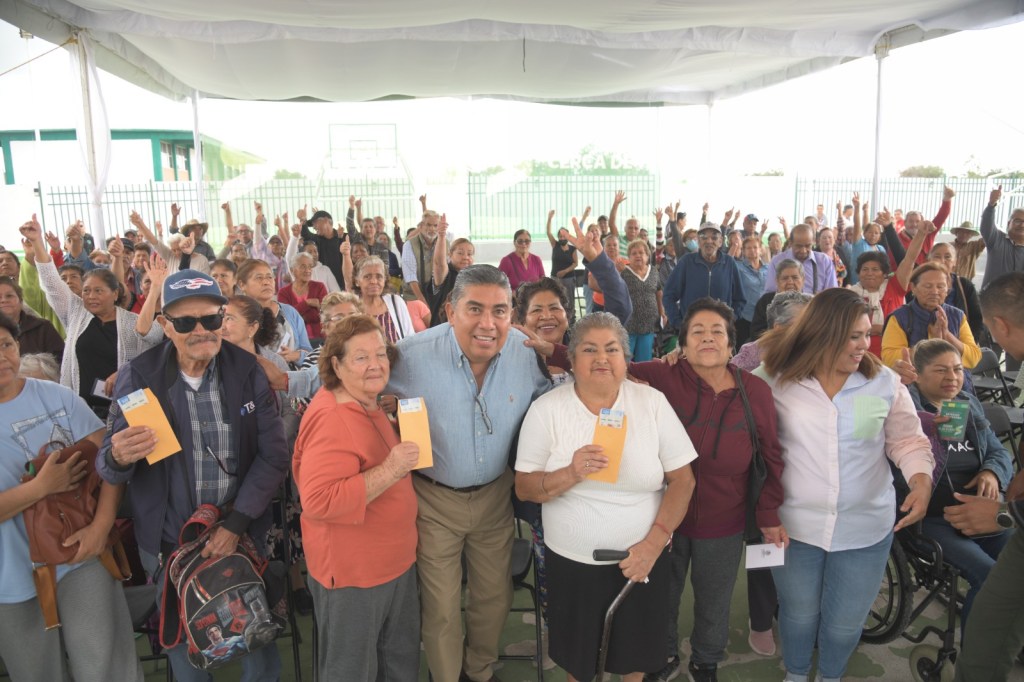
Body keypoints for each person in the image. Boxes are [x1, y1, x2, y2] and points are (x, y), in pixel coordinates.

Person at [97, 268, 290, 682]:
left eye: (212, 318)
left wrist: (235, 524)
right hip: (170, 540)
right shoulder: (140, 376)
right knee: (185, 650)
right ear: (165, 325)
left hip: (239, 533)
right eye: (186, 322)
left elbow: (274, 456)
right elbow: (107, 463)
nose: (202, 330)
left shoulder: (247, 371)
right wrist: (118, 455)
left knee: (257, 643)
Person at [757, 287, 935, 682]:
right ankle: (798, 673)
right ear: (822, 332)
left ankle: (831, 676)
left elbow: (906, 439)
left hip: (865, 528)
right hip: (793, 528)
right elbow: (726, 389)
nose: (863, 345)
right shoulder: (777, 380)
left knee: (842, 623)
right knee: (799, 613)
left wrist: (920, 478)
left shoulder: (883, 383)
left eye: (865, 334)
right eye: (852, 336)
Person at [386, 264, 551, 682]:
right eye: (474, 309)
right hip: (433, 499)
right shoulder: (409, 355)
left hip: (496, 496)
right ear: (449, 311)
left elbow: (559, 396)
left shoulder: (526, 351)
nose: (488, 323)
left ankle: (478, 672)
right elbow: (350, 374)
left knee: (494, 598)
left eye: (500, 310)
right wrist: (286, 379)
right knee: (441, 607)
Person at [514, 312, 698, 682]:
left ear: (625, 358)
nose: (601, 358)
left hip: (640, 562)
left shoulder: (651, 403)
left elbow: (683, 481)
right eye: (590, 349)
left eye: (612, 349)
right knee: (580, 666)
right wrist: (571, 472)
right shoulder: (547, 409)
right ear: (572, 359)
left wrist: (651, 546)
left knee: (634, 663)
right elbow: (525, 488)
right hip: (572, 565)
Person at [631, 299, 785, 682]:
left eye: (717, 331)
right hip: (665, 517)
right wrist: (551, 349)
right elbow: (606, 365)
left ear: (733, 346)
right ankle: (662, 655)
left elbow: (771, 456)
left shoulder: (754, 392)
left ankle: (706, 660)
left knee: (715, 600)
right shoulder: (664, 376)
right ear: (681, 344)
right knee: (661, 597)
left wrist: (767, 515)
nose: (708, 338)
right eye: (697, 331)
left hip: (725, 520)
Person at [0, 312, 144, 682]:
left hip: (80, 554)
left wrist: (101, 526)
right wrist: (40, 488)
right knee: (36, 674)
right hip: (9, 576)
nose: (2, 357)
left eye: (6, 345)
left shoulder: (55, 396)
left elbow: (111, 461)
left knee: (106, 667)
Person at [293, 314, 421, 680]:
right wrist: (392, 469)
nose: (376, 365)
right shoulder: (332, 415)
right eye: (361, 357)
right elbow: (317, 500)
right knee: (350, 670)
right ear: (336, 363)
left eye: (380, 354)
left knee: (394, 661)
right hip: (355, 575)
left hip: (392, 563)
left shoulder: (365, 401)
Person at [905, 339, 1013, 638]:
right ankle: (976, 654)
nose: (952, 377)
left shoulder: (967, 402)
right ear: (917, 373)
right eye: (941, 370)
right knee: (989, 575)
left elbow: (998, 451)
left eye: (957, 369)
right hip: (933, 518)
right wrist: (929, 430)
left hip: (981, 510)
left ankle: (1007, 636)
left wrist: (992, 473)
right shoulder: (904, 406)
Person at [949, 271, 1024, 680]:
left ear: (998, 327)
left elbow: (996, 449)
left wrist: (1002, 514)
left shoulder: (969, 406)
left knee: (986, 643)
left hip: (1007, 517)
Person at [22, 216, 162, 419]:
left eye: (98, 291)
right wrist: (37, 242)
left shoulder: (132, 322)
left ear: (115, 293)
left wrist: (124, 372)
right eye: (86, 291)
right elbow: (51, 282)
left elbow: (153, 351)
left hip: (127, 412)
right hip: (81, 410)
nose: (91, 296)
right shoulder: (76, 313)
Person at [881, 262, 982, 371]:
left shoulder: (957, 315)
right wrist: (931, 344)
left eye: (940, 286)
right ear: (913, 288)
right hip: (914, 383)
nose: (934, 292)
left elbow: (974, 358)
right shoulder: (900, 317)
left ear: (947, 290)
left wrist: (947, 335)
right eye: (928, 286)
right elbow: (888, 357)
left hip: (955, 383)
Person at [664, 224, 745, 330]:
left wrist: (730, 319)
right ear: (698, 241)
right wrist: (679, 323)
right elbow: (668, 295)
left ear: (720, 242)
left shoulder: (729, 263)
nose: (709, 241)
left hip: (720, 330)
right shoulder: (686, 262)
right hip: (691, 330)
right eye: (704, 237)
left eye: (714, 237)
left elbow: (739, 299)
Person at [236, 259, 312, 366]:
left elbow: (309, 352)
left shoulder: (289, 312)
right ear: (242, 284)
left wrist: (295, 355)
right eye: (259, 278)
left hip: (290, 378)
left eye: (269, 277)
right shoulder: (237, 315)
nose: (266, 282)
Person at [733, 291, 811, 372]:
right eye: (802, 324)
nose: (810, 329)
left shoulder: (812, 353)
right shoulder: (749, 358)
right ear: (778, 328)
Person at [349, 256, 415, 343]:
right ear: (357, 281)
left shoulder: (396, 302)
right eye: (367, 277)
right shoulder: (352, 308)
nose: (374, 281)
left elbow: (410, 337)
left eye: (379, 276)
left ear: (385, 280)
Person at [621, 239, 665, 361]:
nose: (638, 256)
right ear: (629, 257)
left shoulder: (654, 271)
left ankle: (641, 380)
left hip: (649, 322)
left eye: (641, 252)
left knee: (644, 360)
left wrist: (662, 312)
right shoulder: (623, 272)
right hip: (629, 323)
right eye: (634, 253)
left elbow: (659, 291)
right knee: (625, 359)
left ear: (647, 255)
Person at [926, 241, 983, 336]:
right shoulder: (919, 284)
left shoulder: (965, 285)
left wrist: (969, 344)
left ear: (955, 262)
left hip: (960, 344)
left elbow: (977, 319)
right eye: (937, 256)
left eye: (947, 257)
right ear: (929, 260)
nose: (942, 261)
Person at [0, 276, 63, 361]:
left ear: (21, 301)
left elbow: (60, 361)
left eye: (9, 296)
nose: (4, 300)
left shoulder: (43, 328)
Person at [427, 215, 475, 327]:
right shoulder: (446, 275)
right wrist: (441, 235)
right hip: (444, 330)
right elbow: (438, 263)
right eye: (460, 253)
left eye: (469, 254)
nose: (465, 257)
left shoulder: (474, 278)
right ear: (450, 254)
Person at [765, 224, 837, 295]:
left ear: (813, 242)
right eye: (798, 246)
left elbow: (832, 294)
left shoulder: (824, 262)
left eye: (808, 246)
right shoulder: (777, 262)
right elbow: (770, 295)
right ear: (790, 243)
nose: (803, 251)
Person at [980, 185, 1024, 290]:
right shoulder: (997, 239)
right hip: (991, 304)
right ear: (1009, 223)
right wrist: (991, 205)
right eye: (1018, 221)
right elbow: (986, 225)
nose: (1022, 225)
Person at [277, 252, 328, 341]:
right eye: (303, 266)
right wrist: (307, 303)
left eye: (310, 267)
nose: (308, 270)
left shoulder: (319, 287)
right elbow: (287, 318)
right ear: (292, 270)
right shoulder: (283, 293)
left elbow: (326, 314)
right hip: (295, 341)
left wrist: (299, 316)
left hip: (321, 338)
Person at [750, 259, 804, 340]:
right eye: (785, 278)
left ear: (803, 280)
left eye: (795, 277)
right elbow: (756, 332)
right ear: (777, 281)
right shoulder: (765, 301)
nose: (790, 282)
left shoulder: (809, 303)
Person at [402, 209, 441, 307]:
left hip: (438, 296)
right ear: (421, 226)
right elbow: (410, 276)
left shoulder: (445, 243)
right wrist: (422, 301)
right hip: (414, 296)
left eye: (435, 225)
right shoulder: (409, 244)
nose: (432, 229)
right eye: (428, 225)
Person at [546, 211, 579, 325]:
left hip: (569, 279)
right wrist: (549, 219)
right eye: (560, 236)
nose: (561, 238)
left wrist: (565, 271)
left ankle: (571, 322)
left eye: (564, 236)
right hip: (555, 278)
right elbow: (548, 232)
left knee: (569, 301)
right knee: (555, 300)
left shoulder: (572, 249)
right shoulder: (555, 245)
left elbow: (575, 263)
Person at [736, 236, 767, 347]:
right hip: (745, 316)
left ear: (761, 250)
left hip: (764, 317)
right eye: (748, 248)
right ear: (743, 251)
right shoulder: (738, 268)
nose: (752, 250)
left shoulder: (768, 269)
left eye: (755, 247)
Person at [499, 229, 546, 294]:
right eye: (520, 241)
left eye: (527, 241)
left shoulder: (537, 260)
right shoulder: (506, 261)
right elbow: (499, 284)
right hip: (514, 301)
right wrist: (513, 294)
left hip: (534, 301)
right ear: (514, 243)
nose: (524, 244)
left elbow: (543, 282)